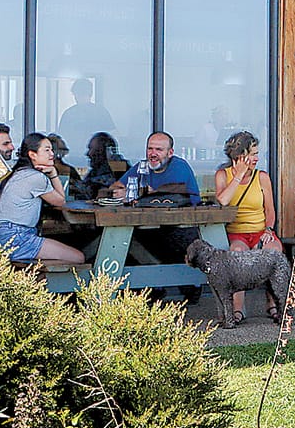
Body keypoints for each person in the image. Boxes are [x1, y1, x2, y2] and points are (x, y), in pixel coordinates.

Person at [110, 131, 203, 280]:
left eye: (159, 150)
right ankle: (152, 288)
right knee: (122, 239)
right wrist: (123, 191)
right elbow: (116, 187)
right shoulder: (143, 167)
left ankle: (180, 286)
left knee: (132, 241)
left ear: (170, 152)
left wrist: (137, 192)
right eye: (150, 149)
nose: (153, 154)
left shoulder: (179, 166)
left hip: (183, 228)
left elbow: (168, 194)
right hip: (152, 227)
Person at [0, 132, 84, 265]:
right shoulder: (36, 178)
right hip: (17, 238)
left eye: (52, 150)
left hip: (2, 237)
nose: (52, 154)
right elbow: (61, 201)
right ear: (32, 155)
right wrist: (53, 173)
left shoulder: (17, 172)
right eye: (47, 150)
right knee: (78, 258)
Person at [213, 130, 277, 252]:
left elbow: (269, 210)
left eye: (257, 154)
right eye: (252, 155)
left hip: (260, 231)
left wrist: (268, 230)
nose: (256, 159)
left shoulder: (262, 177)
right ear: (240, 156)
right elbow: (223, 200)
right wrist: (240, 174)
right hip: (236, 234)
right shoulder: (223, 175)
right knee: (238, 253)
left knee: (272, 253)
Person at [56, 78, 114, 146]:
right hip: (84, 152)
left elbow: (112, 133)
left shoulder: (69, 113)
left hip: (91, 152)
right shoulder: (101, 111)